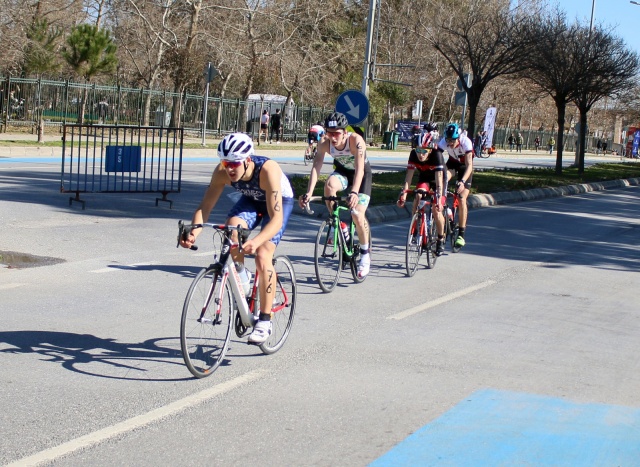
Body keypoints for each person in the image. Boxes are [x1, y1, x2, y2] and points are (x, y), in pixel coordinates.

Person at [179, 132, 295, 344]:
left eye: (235, 163)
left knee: (262, 254)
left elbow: (276, 220)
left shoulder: (268, 170)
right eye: (225, 162)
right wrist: (193, 233)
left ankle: (265, 320)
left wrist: (257, 241)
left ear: (248, 160)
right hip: (252, 199)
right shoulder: (222, 172)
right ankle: (243, 277)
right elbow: (205, 208)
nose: (229, 168)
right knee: (232, 230)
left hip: (279, 203)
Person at [298, 111, 372, 278]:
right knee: (329, 185)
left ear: (345, 132)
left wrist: (354, 192)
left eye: (336, 133)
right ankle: (337, 223)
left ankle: (365, 254)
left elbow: (360, 169)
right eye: (329, 133)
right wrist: (309, 192)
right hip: (343, 173)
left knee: (357, 214)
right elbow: (316, 166)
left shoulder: (356, 141)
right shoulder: (324, 142)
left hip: (361, 176)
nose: (332, 137)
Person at [397, 129, 447, 256]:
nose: (420, 154)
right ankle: (415, 228)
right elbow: (408, 177)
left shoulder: (437, 155)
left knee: (436, 209)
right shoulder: (413, 154)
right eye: (418, 150)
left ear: (430, 150)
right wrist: (404, 193)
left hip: (438, 180)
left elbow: (439, 180)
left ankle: (440, 239)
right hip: (424, 178)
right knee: (418, 196)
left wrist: (439, 197)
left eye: (424, 151)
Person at [438, 123, 473, 249]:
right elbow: (436, 158)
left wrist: (462, 181)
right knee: (442, 179)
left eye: (452, 140)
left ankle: (461, 235)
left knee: (462, 198)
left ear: (458, 138)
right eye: (448, 140)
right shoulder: (443, 142)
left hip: (465, 167)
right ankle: (446, 210)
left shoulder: (466, 142)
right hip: (452, 163)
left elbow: (469, 166)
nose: (450, 143)